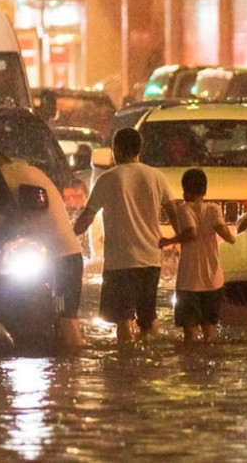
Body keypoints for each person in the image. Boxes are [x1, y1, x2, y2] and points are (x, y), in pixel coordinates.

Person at [73, 128, 178, 343]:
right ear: (139, 150)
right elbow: (175, 215)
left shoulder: (109, 178)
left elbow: (87, 218)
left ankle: (126, 366)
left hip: (121, 263)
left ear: (116, 150)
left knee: (123, 320)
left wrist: (67, 235)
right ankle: (150, 361)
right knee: (148, 320)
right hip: (151, 260)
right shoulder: (157, 176)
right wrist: (181, 240)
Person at [0, 156, 84, 348]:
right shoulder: (31, 170)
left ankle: (73, 362)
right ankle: (68, 367)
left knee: (65, 317)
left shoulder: (6, 176)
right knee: (63, 316)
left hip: (60, 259)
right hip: (65, 255)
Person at [159, 168, 235, 342]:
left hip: (189, 282)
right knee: (210, 331)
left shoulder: (184, 209)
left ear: (185, 191)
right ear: (205, 191)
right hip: (213, 281)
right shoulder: (214, 209)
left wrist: (168, 241)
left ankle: (192, 366)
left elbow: (191, 233)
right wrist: (234, 236)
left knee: (189, 333)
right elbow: (225, 234)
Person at [60, 175, 92, 259]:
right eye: (66, 198)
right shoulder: (62, 219)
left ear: (86, 195)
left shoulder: (96, 218)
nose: (71, 201)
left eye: (76, 196)